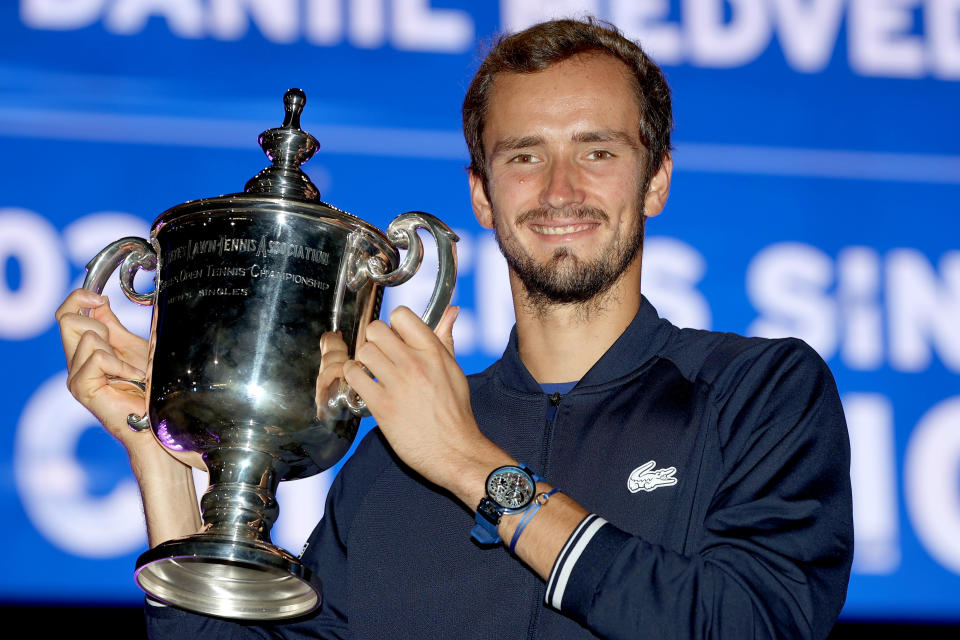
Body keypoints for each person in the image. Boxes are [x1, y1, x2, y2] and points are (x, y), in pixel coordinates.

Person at [57, 18, 853, 640]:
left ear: (656, 182)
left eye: (599, 151)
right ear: (481, 195)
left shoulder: (758, 392)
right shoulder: (390, 465)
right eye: (523, 157)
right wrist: (159, 453)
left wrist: (471, 466)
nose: (561, 189)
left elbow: (750, 625)